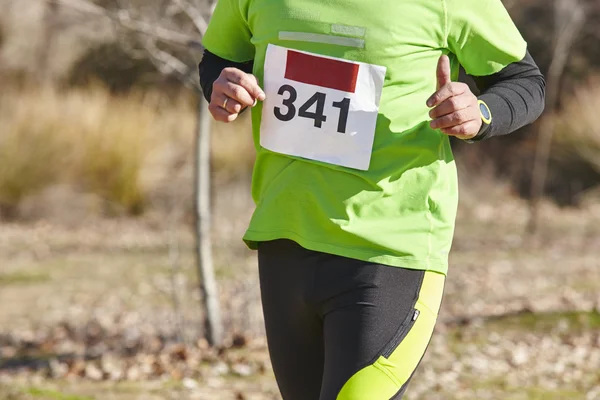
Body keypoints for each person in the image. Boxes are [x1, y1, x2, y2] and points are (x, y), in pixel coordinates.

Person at [199, 0, 545, 398]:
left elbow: (525, 81)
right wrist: (222, 86)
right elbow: (219, 59)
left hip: (390, 250)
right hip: (284, 238)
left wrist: (481, 112)